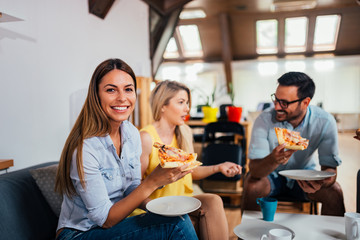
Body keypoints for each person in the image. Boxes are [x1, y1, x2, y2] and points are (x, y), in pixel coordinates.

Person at [54, 59, 198, 240]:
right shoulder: (86, 148)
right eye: (111, 90)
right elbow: (105, 220)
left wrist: (160, 208)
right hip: (80, 233)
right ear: (96, 95)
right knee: (176, 225)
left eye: (128, 89)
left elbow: (131, 187)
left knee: (176, 217)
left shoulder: (131, 133)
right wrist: (152, 182)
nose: (122, 98)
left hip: (115, 225)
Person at [132, 80, 242, 240]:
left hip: (182, 201)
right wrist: (156, 207)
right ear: (163, 105)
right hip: (158, 206)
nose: (187, 109)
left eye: (188, 103)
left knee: (214, 200)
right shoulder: (145, 138)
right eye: (181, 102)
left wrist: (219, 167)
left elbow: (192, 171)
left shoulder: (185, 132)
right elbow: (135, 186)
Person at [242, 71, 345, 216]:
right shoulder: (263, 120)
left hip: (304, 175)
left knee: (335, 191)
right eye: (275, 99)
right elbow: (255, 171)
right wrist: (273, 159)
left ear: (305, 102)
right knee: (253, 186)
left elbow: (330, 170)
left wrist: (320, 182)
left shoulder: (325, 122)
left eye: (284, 103)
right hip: (271, 177)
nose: (277, 107)